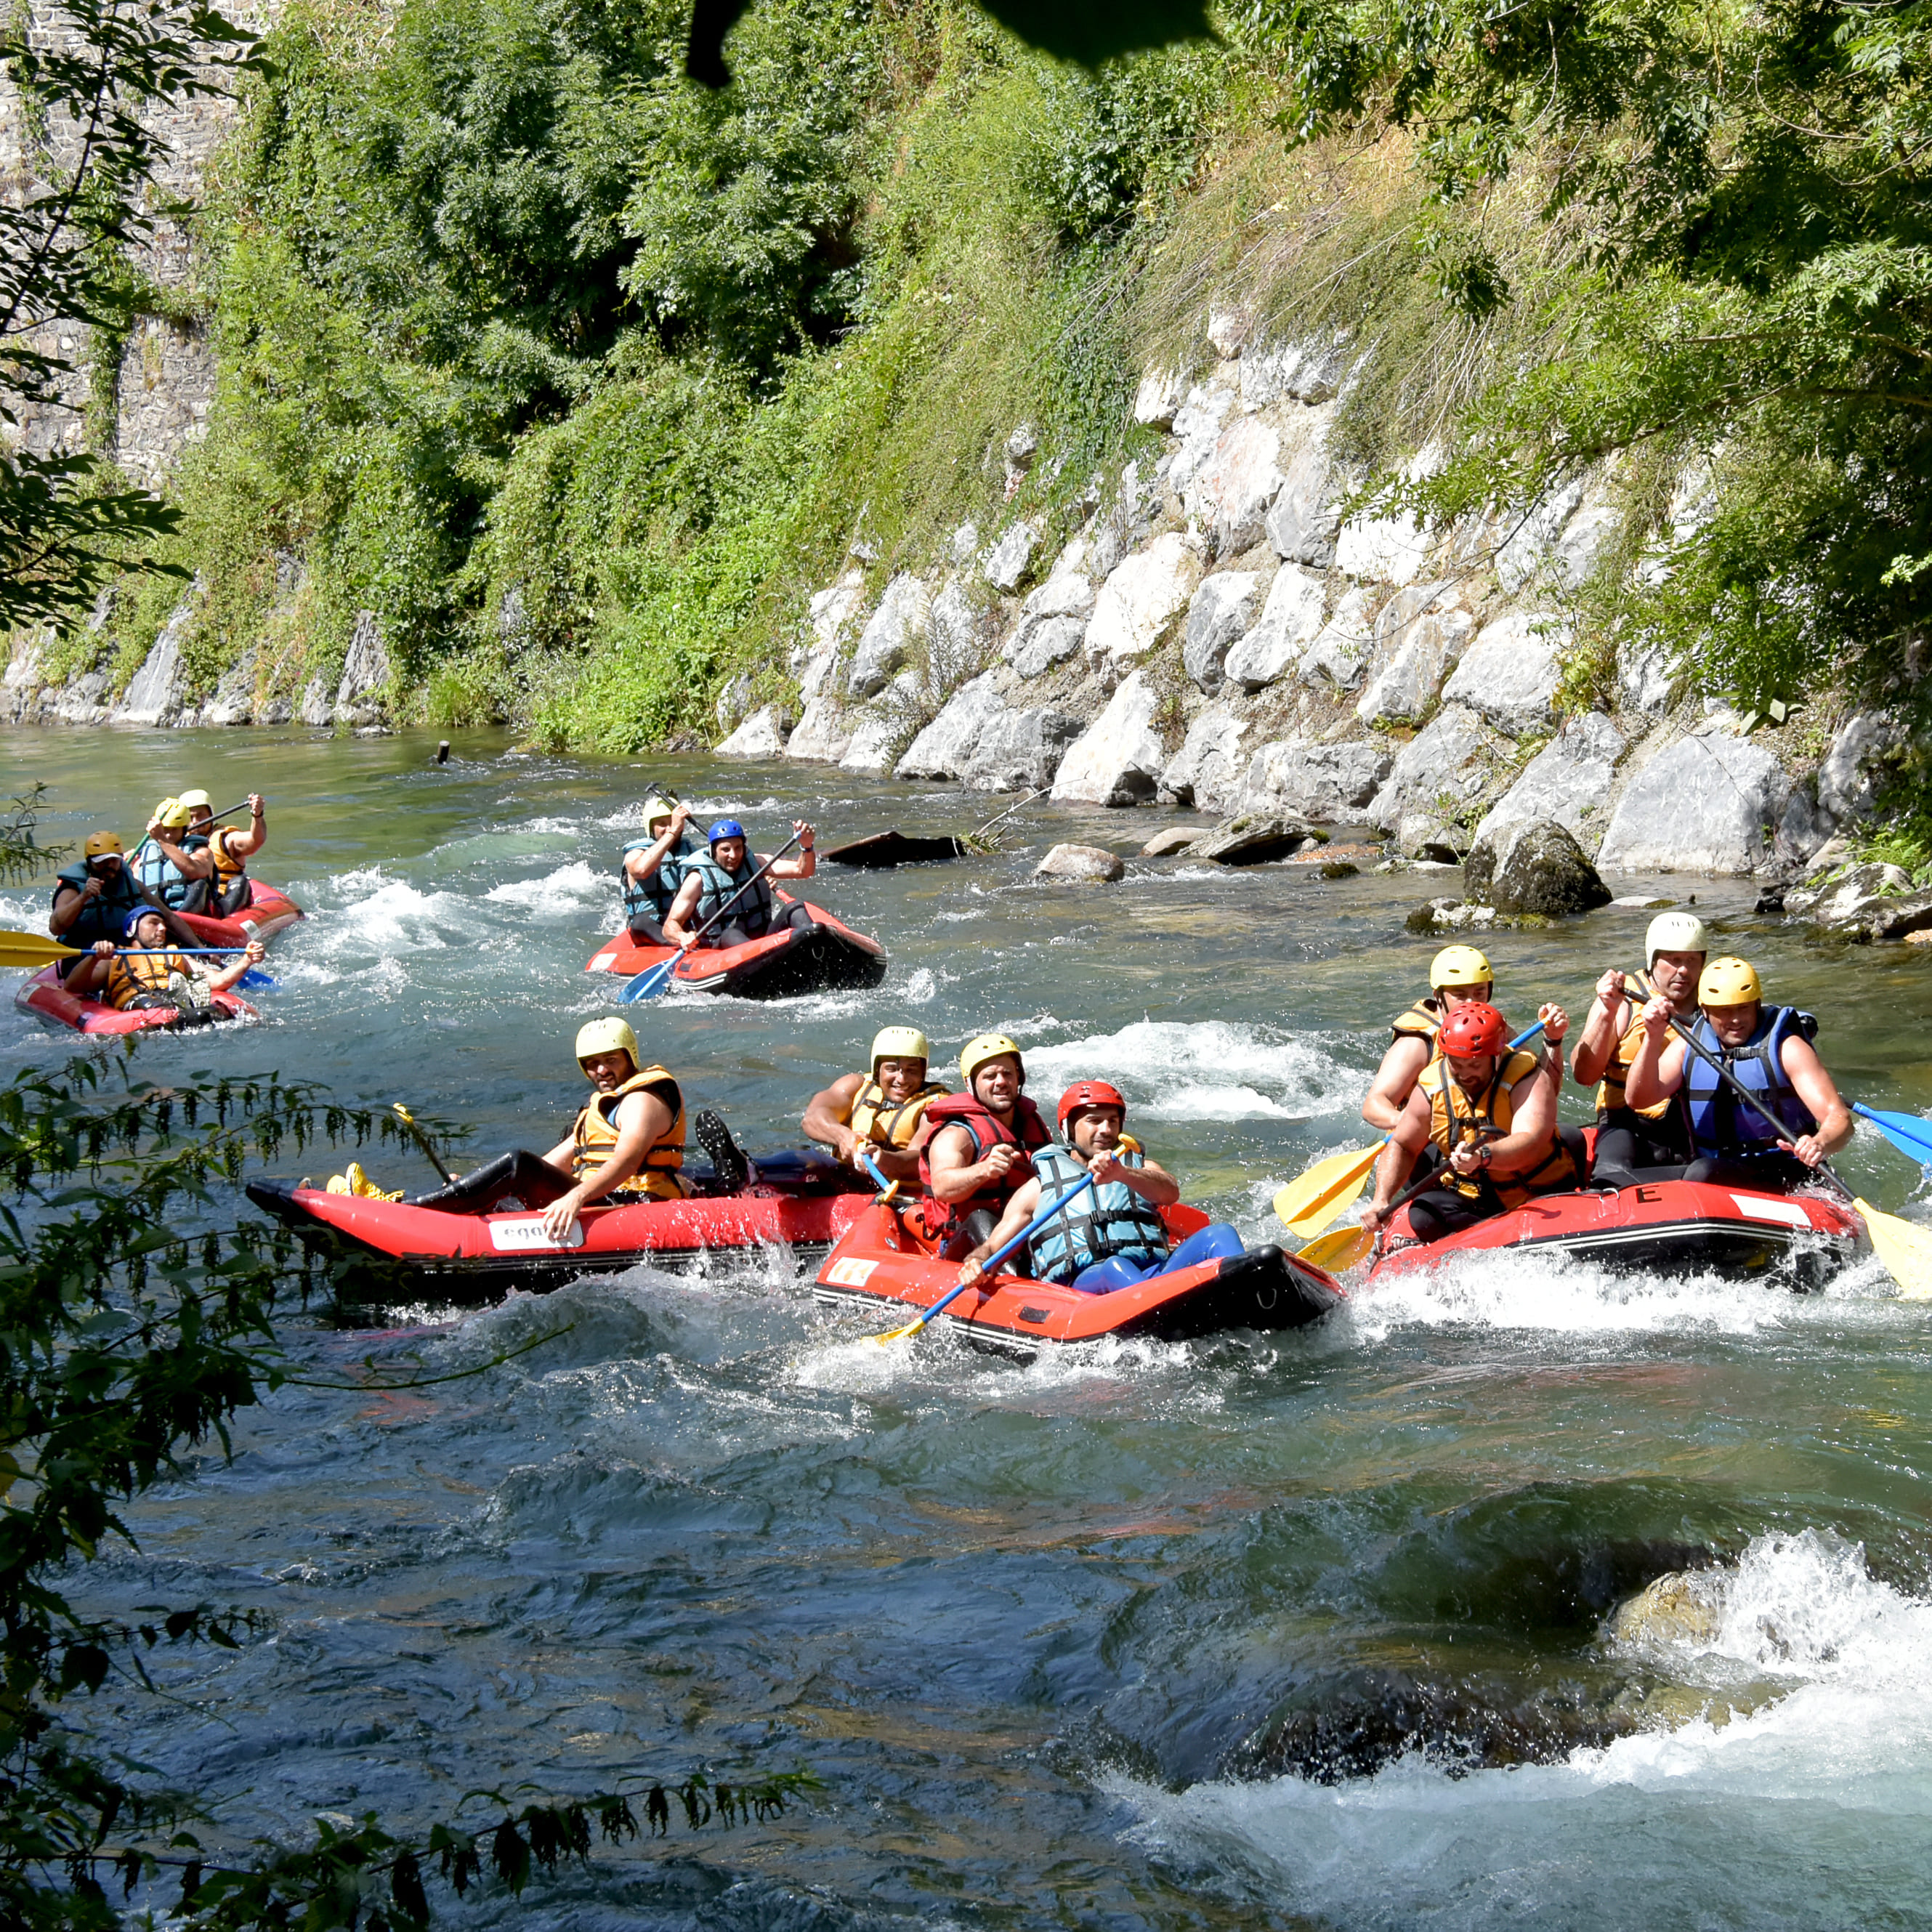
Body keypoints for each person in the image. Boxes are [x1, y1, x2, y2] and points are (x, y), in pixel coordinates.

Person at [957, 1080, 1248, 1294]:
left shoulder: (1136, 1168)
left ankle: (1247, 1295)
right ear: (1069, 1129)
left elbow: (1169, 1192)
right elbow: (993, 1248)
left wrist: (1122, 1174)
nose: (1106, 1131)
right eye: (1094, 1121)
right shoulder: (1038, 1187)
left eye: (1112, 1121)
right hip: (1086, 1287)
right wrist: (976, 1263)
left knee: (1220, 1234)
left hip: (1153, 1275)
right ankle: (1161, 1306)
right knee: (1114, 1267)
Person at [1622, 956, 1852, 1190]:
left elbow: (1840, 1120)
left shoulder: (1788, 1049)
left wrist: (1819, 1143)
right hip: (1718, 1168)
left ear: (1756, 1004)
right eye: (1724, 1011)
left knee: (1703, 1172)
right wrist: (1653, 1037)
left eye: (1743, 1008)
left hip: (1786, 1172)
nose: (1735, 1020)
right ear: (1705, 1011)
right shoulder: (1689, 1045)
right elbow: (1638, 1099)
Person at [1362, 998, 1577, 1247]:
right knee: (1422, 1215)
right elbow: (1403, 1144)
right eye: (1456, 1063)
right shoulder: (1433, 1084)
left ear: (1496, 1054)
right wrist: (1381, 1198)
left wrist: (1484, 1156)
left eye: (1475, 1064)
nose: (1464, 1073)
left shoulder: (1528, 1077)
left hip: (1540, 1194)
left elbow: (1531, 1142)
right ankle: (1484, 1240)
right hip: (1476, 1200)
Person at [1569, 910, 1706, 1187]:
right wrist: (1607, 1014)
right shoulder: (1622, 1001)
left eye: (1692, 961)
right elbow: (1584, 1076)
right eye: (1674, 960)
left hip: (1689, 1121)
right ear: (1653, 960)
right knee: (1611, 1178)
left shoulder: (1714, 1002)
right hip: (1626, 1122)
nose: (1683, 970)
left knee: (1711, 1172)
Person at [538, 1018, 693, 1241]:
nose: (602, 1070)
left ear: (630, 1057)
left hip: (635, 1200)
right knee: (522, 1167)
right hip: (603, 1196)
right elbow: (546, 1168)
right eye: (592, 1064)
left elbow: (627, 1161)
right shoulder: (603, 1108)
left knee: (516, 1164)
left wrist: (577, 1196)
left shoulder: (642, 1101)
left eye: (611, 1060)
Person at [916, 1033, 1053, 1258]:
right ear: (971, 1084)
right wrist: (984, 1169)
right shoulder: (957, 1133)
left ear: (1019, 1078)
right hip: (969, 1243)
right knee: (981, 1218)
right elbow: (942, 1187)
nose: (1000, 1081)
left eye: (1007, 1073)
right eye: (990, 1076)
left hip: (1022, 1232)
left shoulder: (1033, 1122)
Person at [1364, 945, 1508, 1131]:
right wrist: (1414, 1123)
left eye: (1479, 992)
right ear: (1438, 996)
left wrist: (1552, 1040)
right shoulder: (1417, 1042)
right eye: (1460, 995)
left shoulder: (1494, 1027)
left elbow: (1533, 1081)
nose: (1472, 1003)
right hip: (1429, 1138)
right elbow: (1373, 1106)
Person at [801, 1026, 950, 1184]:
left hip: (895, 1190)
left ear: (923, 1071)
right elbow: (812, 1119)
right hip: (844, 1178)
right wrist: (842, 1136)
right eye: (892, 1069)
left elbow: (920, 1158)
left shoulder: (935, 1104)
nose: (901, 1079)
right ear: (878, 1070)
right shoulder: (855, 1086)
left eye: (911, 1070)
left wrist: (884, 1160)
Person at [68, 908, 262, 1016]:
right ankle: (184, 1006)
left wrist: (246, 961)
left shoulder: (177, 956)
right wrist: (93, 957)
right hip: (138, 1003)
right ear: (132, 930)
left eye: (163, 924)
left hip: (171, 1001)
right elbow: (73, 987)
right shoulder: (114, 957)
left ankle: (189, 1002)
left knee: (213, 1013)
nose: (162, 928)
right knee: (162, 1008)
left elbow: (219, 981)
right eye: (153, 923)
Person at [663, 818, 817, 953]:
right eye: (725, 850)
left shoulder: (758, 863)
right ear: (713, 851)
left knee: (795, 907)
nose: (733, 855)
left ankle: (816, 952)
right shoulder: (697, 880)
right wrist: (682, 936)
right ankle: (763, 962)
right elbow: (670, 925)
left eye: (738, 848)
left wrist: (807, 846)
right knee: (730, 934)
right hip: (719, 950)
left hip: (762, 939)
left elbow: (802, 871)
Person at [47, 830, 145, 976]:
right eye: (102, 861)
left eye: (114, 860)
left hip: (123, 952)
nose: (109, 865)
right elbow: (55, 928)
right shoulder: (72, 889)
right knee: (107, 967)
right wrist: (84, 896)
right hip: (84, 957)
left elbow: (169, 918)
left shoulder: (132, 885)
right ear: (90, 862)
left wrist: (192, 945)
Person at [619, 796, 695, 947]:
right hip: (649, 929)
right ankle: (678, 941)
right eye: (662, 824)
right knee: (641, 923)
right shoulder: (634, 853)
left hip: (682, 924)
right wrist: (672, 831)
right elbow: (641, 870)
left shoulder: (689, 851)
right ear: (650, 827)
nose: (668, 827)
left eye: (672, 822)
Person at [182, 790, 266, 917]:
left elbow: (255, 841)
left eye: (200, 816)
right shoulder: (176, 841)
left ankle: (220, 917)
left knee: (240, 881)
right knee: (199, 886)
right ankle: (181, 918)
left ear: (211, 815)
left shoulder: (227, 838)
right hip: (192, 898)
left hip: (225, 900)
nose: (195, 822)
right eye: (190, 817)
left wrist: (257, 816)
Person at [128, 797, 213, 913]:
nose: (168, 835)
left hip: (189, 913)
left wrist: (162, 840)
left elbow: (194, 871)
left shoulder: (200, 851)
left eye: (174, 830)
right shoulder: (144, 854)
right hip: (154, 913)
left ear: (184, 829)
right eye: (165, 830)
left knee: (199, 884)